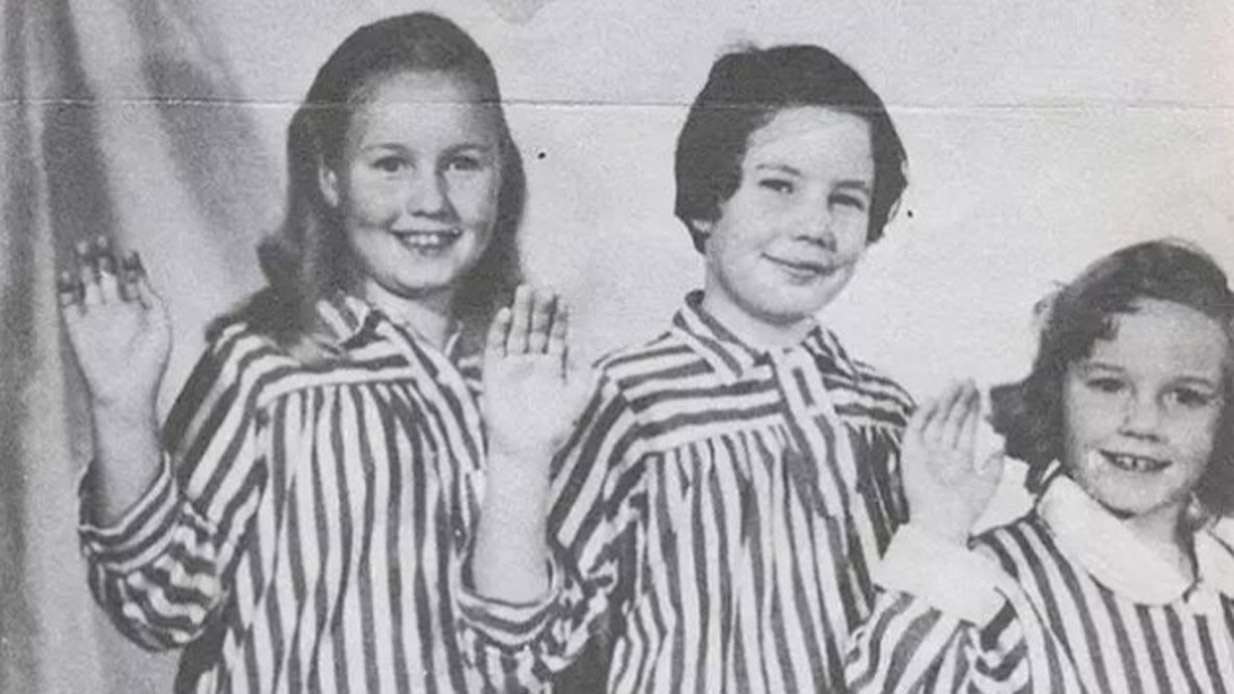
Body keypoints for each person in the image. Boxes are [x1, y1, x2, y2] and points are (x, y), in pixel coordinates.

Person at [58, 13, 582, 694]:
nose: (431, 200)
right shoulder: (268, 369)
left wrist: (520, 459)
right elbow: (159, 607)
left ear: (503, 175)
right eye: (390, 164)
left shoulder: (527, 386)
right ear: (331, 177)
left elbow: (528, 659)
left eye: (462, 163)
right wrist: (122, 411)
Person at [459, 44, 914, 692]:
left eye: (846, 198)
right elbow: (517, 654)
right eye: (779, 186)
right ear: (707, 202)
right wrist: (518, 459)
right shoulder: (624, 400)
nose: (816, 224)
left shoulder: (886, 413)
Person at [846, 239, 1234, 693]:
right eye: (1108, 386)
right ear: (1056, 396)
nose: (1144, 423)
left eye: (1186, 396)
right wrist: (938, 531)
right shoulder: (989, 584)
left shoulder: (1222, 581)